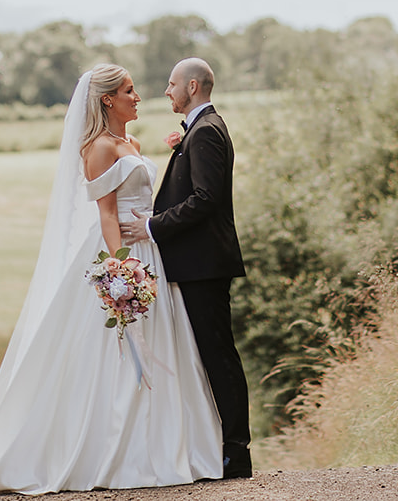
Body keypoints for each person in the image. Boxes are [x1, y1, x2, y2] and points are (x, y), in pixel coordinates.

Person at [0, 64, 222, 496]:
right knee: (112, 354)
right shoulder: (97, 148)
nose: (139, 97)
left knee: (161, 348)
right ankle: (114, 450)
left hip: (153, 254)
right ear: (108, 99)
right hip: (123, 257)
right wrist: (121, 271)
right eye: (130, 91)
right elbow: (107, 215)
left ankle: (160, 447)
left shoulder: (132, 142)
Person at [118, 57, 252, 479]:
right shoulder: (199, 130)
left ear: (192, 86)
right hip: (196, 263)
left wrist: (152, 226)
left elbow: (206, 199)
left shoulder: (207, 131)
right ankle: (217, 445)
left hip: (204, 264)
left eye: (172, 84)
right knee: (208, 355)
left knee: (218, 356)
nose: (166, 91)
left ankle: (236, 453)